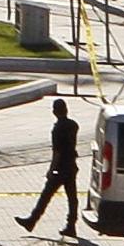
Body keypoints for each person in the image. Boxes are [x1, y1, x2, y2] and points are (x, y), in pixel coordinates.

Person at [16, 98, 81, 235]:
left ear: (54, 112)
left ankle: (32, 220)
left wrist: (51, 170)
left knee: (46, 196)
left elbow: (56, 152)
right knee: (72, 197)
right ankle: (71, 225)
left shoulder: (57, 129)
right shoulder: (73, 125)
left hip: (60, 167)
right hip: (71, 166)